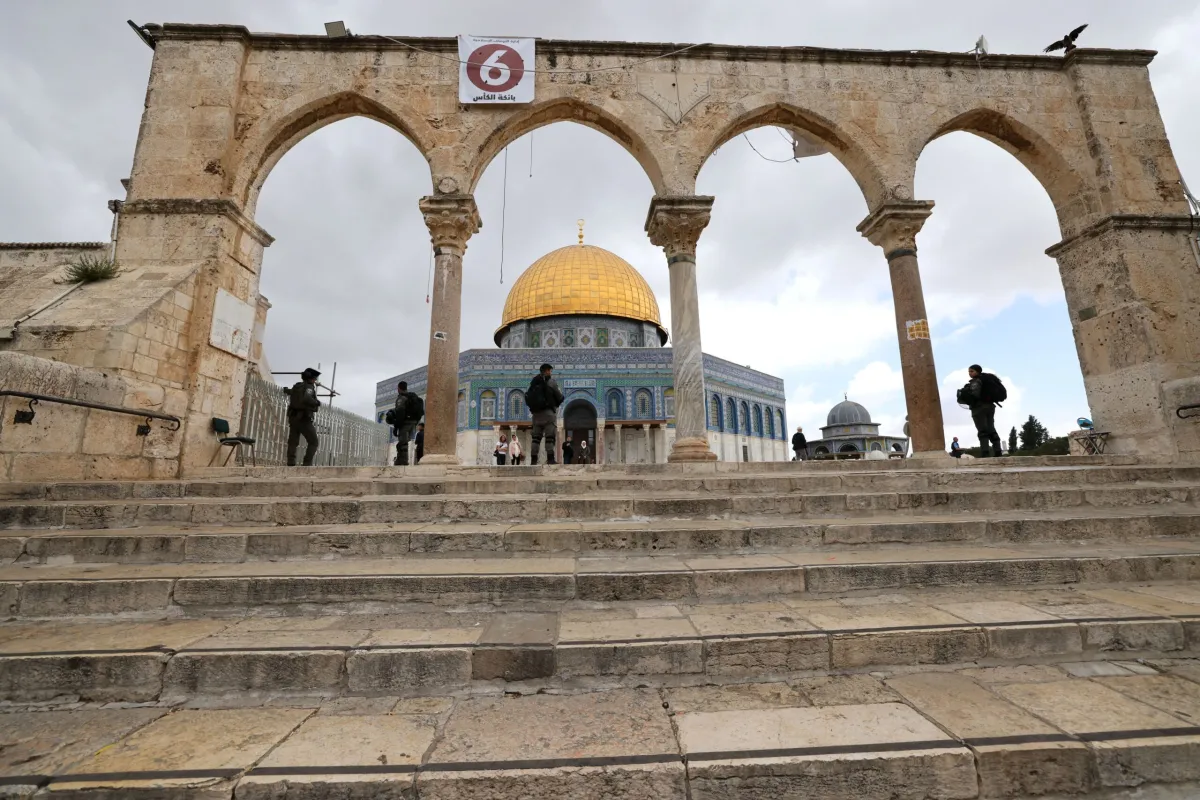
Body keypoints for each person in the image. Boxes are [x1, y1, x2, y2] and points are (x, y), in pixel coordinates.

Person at [961, 364, 1004, 458]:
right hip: (990, 407)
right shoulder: (988, 380)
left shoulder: (976, 381)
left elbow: (975, 394)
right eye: (969, 371)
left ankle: (985, 452)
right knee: (991, 428)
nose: (970, 373)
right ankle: (998, 451)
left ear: (977, 371)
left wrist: (966, 393)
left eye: (972, 371)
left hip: (979, 408)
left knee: (982, 430)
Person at [525, 363, 564, 465]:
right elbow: (560, 397)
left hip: (536, 416)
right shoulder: (551, 382)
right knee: (549, 438)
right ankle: (550, 459)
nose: (550, 372)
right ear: (546, 371)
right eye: (549, 370)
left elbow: (528, 396)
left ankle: (533, 460)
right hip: (548, 414)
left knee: (536, 439)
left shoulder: (534, 382)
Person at [286, 367, 321, 466]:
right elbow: (306, 398)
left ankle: (291, 462)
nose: (315, 381)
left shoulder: (297, 386)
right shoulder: (309, 387)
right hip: (304, 418)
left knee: (293, 441)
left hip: (293, 417)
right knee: (314, 442)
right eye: (314, 379)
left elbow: (291, 392)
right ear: (311, 379)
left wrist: (286, 390)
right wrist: (316, 402)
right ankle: (307, 464)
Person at [392, 381, 423, 466]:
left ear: (398, 388)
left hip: (405, 423)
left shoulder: (402, 398)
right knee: (405, 441)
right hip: (413, 423)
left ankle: (402, 461)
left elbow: (400, 412)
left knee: (402, 442)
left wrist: (396, 426)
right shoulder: (412, 397)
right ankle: (402, 460)